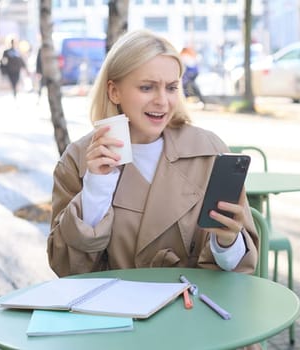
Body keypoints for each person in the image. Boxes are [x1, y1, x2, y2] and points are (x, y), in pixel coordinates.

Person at [48, 29, 260, 278]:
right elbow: (67, 268)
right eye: (147, 87)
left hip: (193, 309)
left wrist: (226, 242)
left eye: (171, 88)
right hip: (115, 312)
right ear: (114, 91)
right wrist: (96, 188)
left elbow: (239, 270)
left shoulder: (209, 151)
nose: (163, 101)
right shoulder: (78, 160)